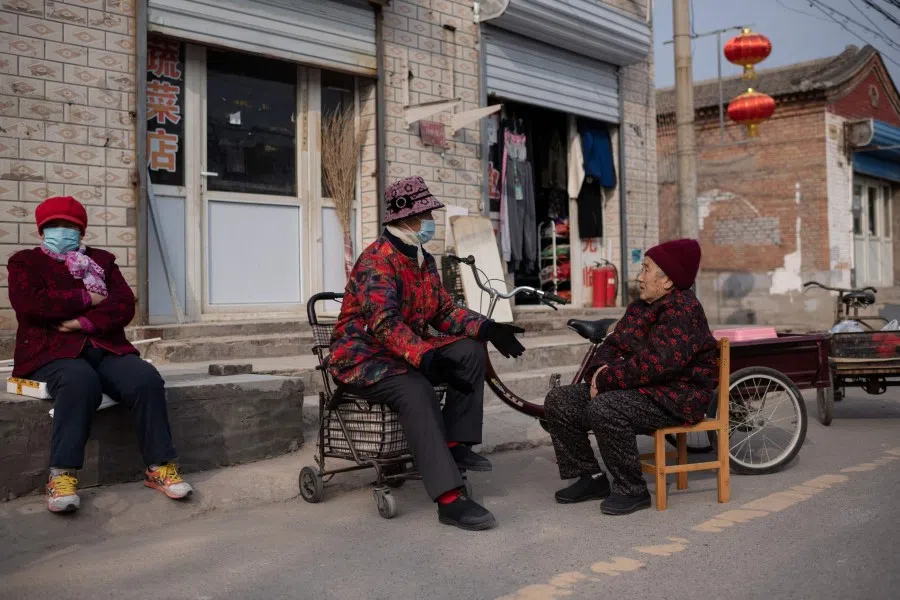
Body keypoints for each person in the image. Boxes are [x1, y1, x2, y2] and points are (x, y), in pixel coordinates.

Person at [328, 176, 526, 531]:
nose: (431, 221)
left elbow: (444, 311)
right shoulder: (378, 261)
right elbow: (384, 324)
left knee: (469, 351)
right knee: (416, 388)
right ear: (405, 219)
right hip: (364, 357)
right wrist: (427, 358)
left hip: (403, 350)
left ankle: (453, 443)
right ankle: (449, 499)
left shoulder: (423, 259)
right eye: (426, 214)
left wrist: (488, 328)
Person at [7, 196, 192, 514]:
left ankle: (159, 466)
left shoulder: (102, 261)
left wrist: (83, 321)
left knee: (145, 378)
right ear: (41, 231)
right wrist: (86, 296)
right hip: (48, 351)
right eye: (54, 226)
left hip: (104, 345)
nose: (62, 231)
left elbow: (123, 303)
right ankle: (62, 475)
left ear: (82, 231)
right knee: (80, 381)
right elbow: (30, 304)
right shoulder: (24, 262)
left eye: (70, 226)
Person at [544, 239, 718, 515]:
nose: (639, 277)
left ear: (667, 281)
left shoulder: (684, 310)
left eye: (646, 270)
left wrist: (604, 382)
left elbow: (658, 365)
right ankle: (591, 478)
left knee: (607, 407)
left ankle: (632, 490)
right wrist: (596, 375)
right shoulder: (640, 308)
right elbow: (613, 347)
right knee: (560, 400)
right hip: (642, 390)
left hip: (677, 397)